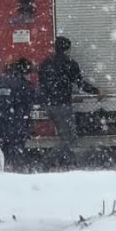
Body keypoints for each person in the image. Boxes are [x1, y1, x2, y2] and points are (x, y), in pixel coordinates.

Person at [37, 36, 86, 169]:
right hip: (63, 105)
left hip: (48, 105)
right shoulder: (70, 64)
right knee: (70, 139)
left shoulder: (45, 63)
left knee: (64, 136)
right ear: (67, 49)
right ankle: (46, 162)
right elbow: (80, 84)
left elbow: (41, 84)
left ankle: (70, 163)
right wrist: (97, 91)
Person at [0, 58, 37, 173]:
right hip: (17, 126)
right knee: (18, 156)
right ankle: (17, 176)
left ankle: (9, 175)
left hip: (0, 126)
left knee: (8, 155)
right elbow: (34, 97)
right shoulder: (23, 85)